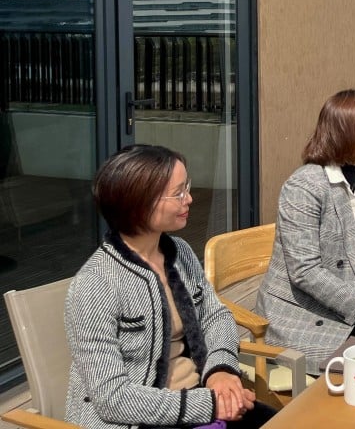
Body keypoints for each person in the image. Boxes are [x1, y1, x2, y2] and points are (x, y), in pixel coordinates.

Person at [65, 145, 275, 429]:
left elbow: (216, 315)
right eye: (178, 193)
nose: (189, 198)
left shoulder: (180, 253)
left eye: (186, 187)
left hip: (202, 397)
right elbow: (112, 398)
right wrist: (212, 404)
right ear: (140, 203)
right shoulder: (95, 285)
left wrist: (222, 370)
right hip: (138, 420)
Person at [256, 89, 355, 372]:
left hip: (354, 302)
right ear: (345, 133)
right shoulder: (304, 186)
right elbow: (305, 272)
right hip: (301, 316)